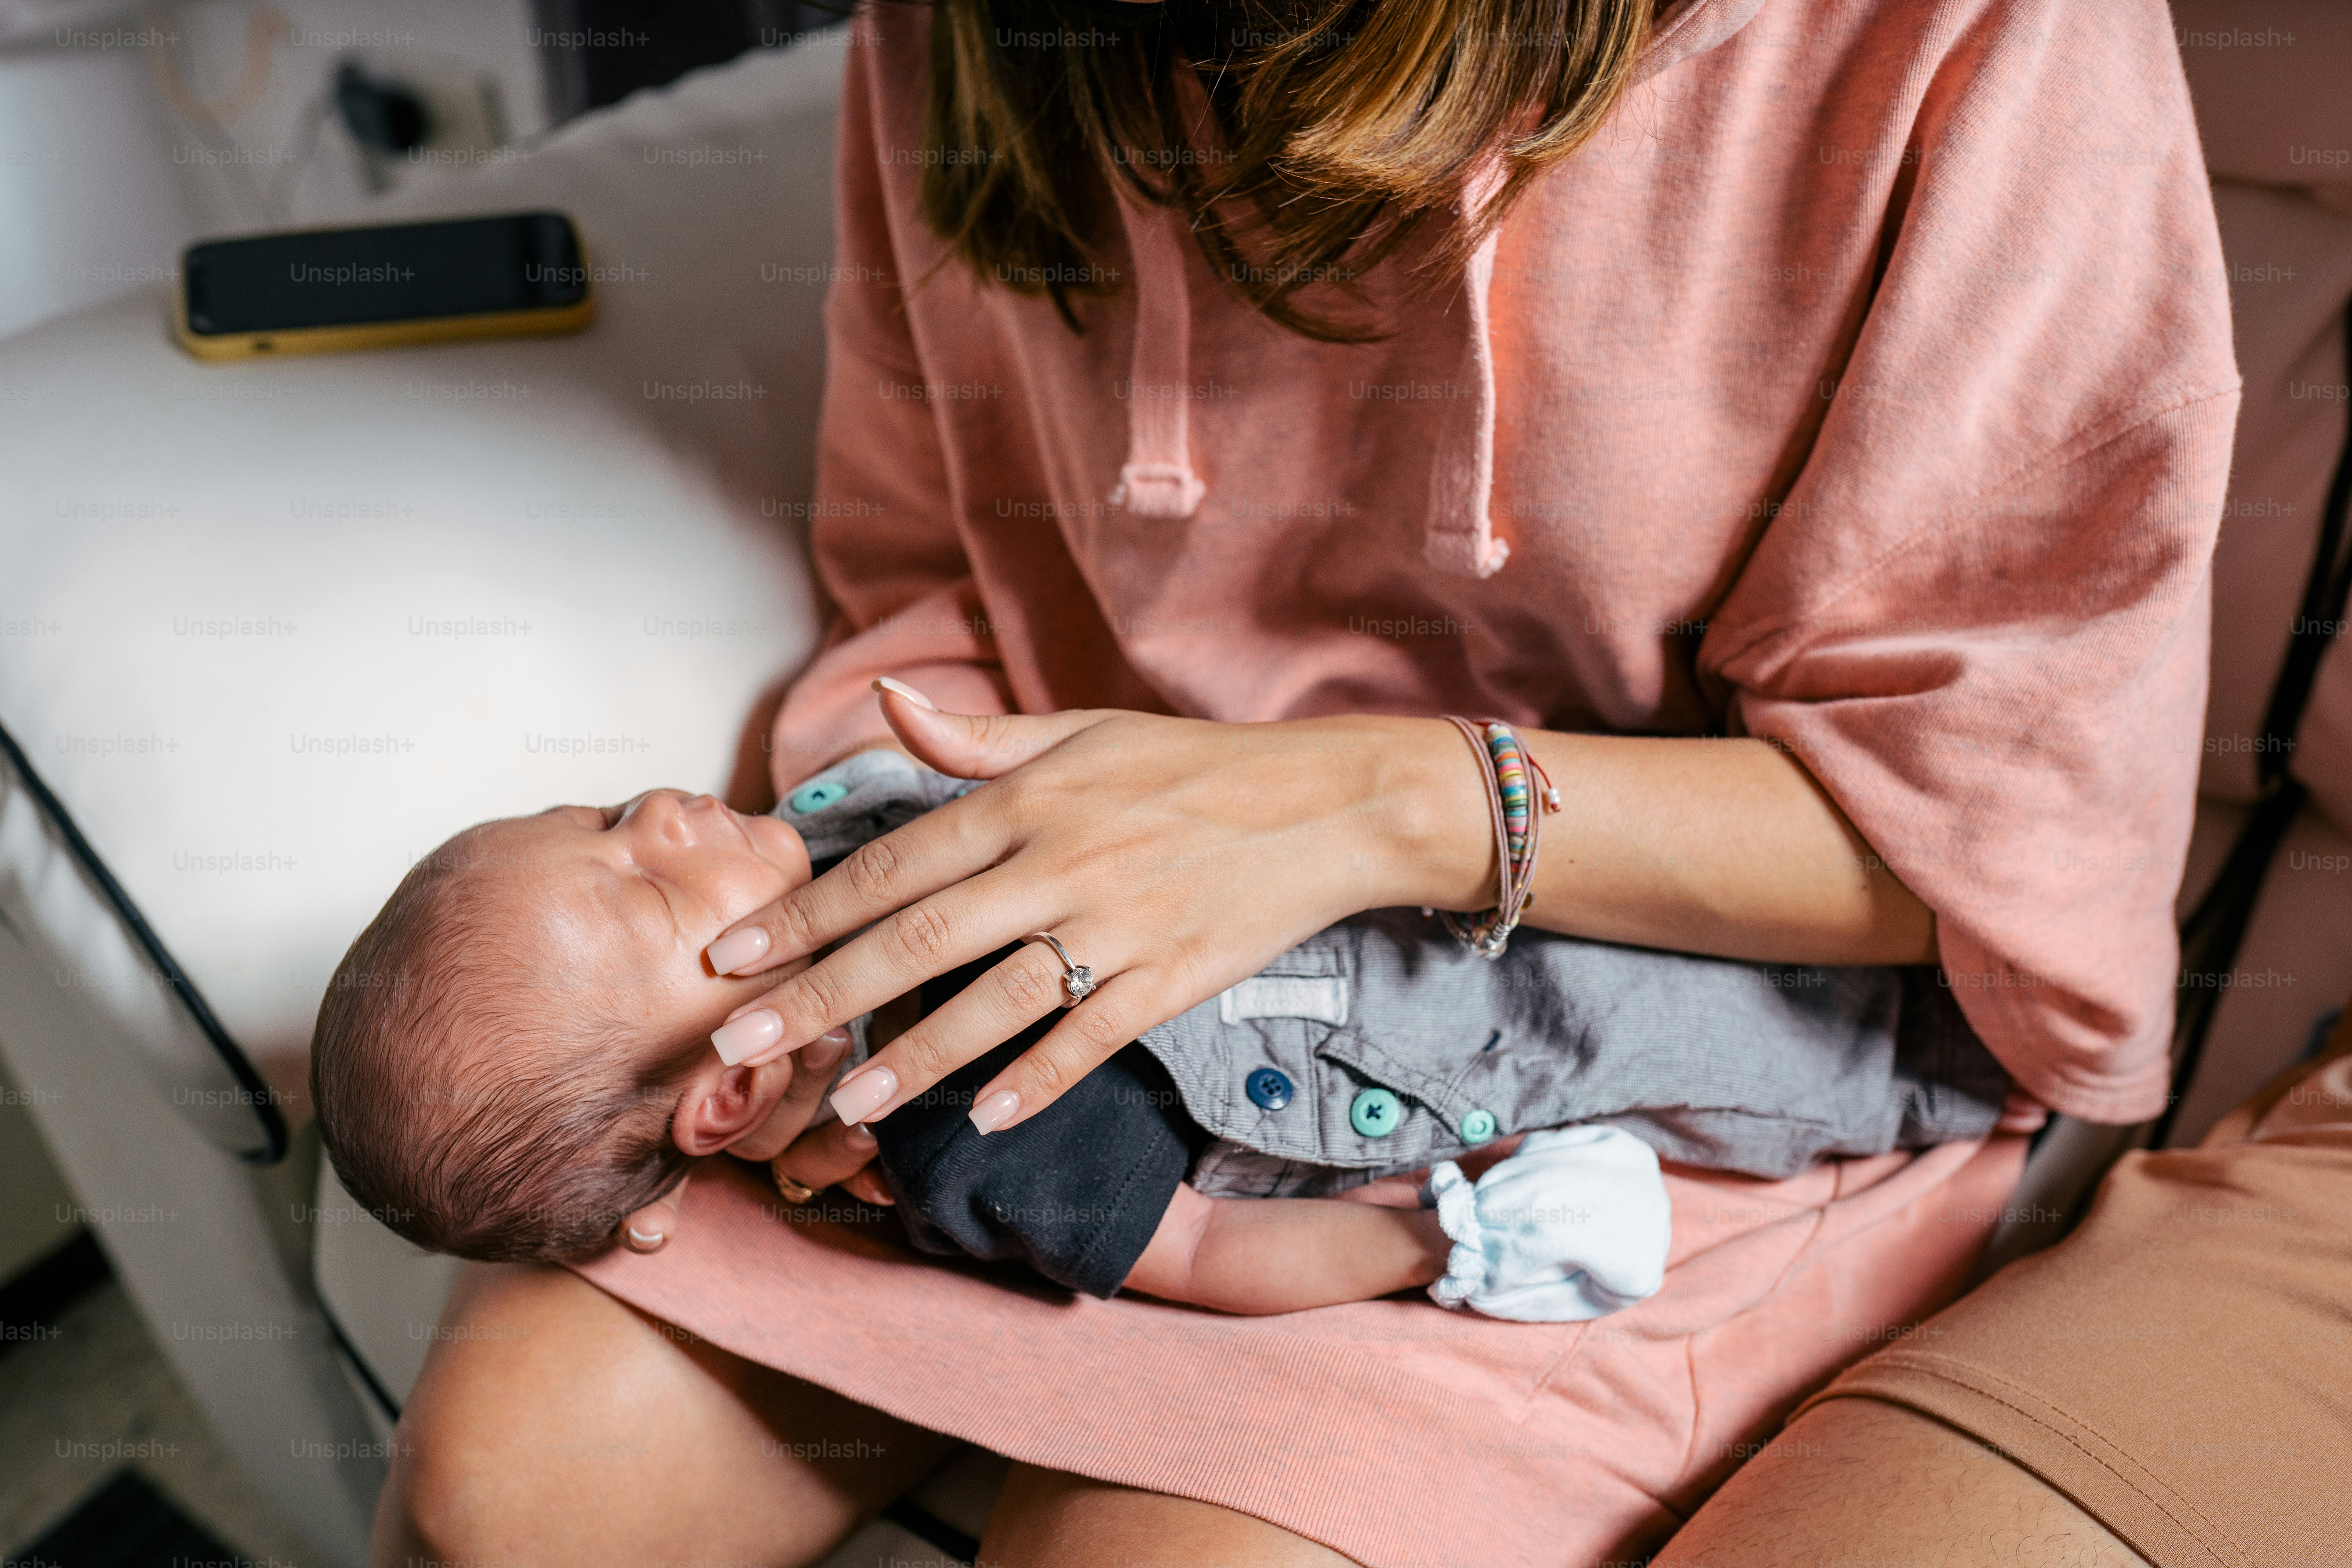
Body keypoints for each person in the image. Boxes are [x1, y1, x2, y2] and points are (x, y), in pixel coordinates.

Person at [375, 0, 2238, 1561]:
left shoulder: (1973, 39)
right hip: (1030, 1002)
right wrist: (841, 953)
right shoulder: (968, 33)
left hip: (1626, 1043)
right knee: (503, 1488)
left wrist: (1376, 809)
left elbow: (1997, 852)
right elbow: (925, 576)